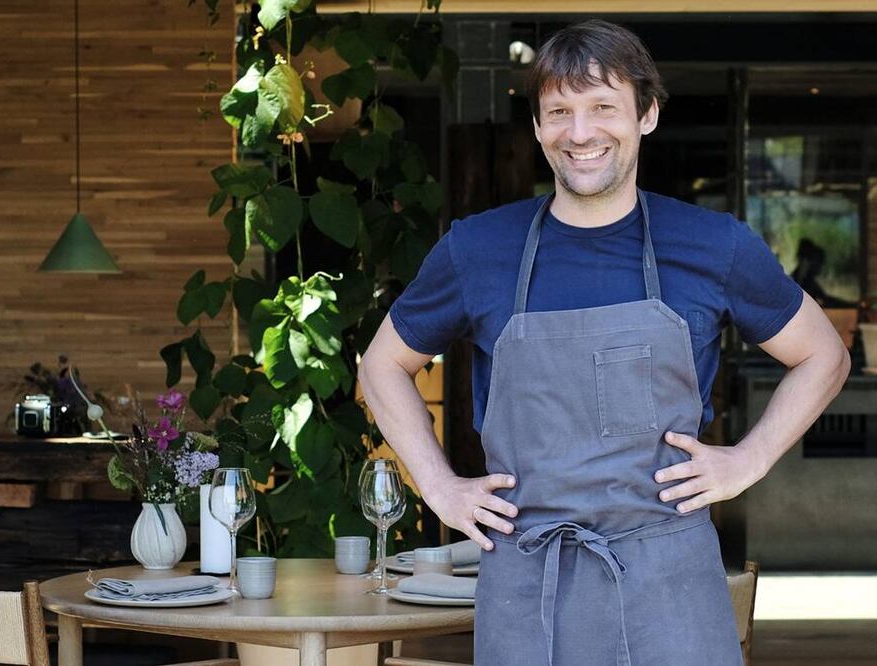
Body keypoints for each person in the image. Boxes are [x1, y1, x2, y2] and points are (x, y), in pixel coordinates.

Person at [358, 19, 849, 666]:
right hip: (528, 582)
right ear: (538, 127)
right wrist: (438, 485)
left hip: (668, 584)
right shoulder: (478, 249)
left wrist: (748, 460)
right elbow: (382, 365)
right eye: (558, 111)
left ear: (646, 115)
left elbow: (823, 354)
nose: (580, 132)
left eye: (602, 107)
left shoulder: (713, 245)